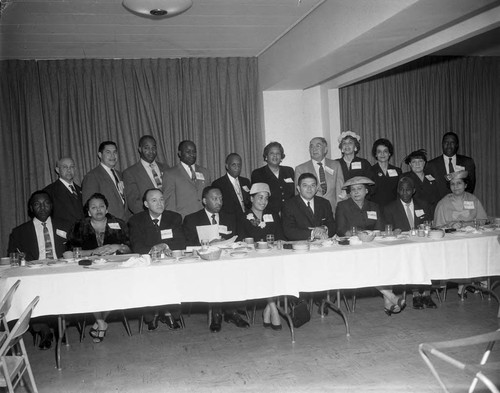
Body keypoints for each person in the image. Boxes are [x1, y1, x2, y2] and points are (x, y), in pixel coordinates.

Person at [7, 190, 71, 350]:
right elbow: (12, 258)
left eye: (46, 203)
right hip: (35, 275)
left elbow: (75, 250)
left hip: (62, 271)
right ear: (31, 208)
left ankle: (61, 325)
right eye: (37, 204)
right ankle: (42, 329)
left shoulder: (66, 226)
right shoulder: (19, 232)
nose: (42, 207)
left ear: (52, 206)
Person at [64, 193, 131, 343]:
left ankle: (100, 321)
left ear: (107, 209)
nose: (98, 210)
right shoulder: (79, 226)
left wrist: (118, 246)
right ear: (88, 212)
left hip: (114, 270)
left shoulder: (119, 224)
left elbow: (129, 249)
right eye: (93, 207)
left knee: (114, 287)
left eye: (101, 206)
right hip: (88, 271)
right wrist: (92, 252)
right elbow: (70, 253)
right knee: (90, 287)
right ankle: (101, 322)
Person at [334, 177, 405, 315]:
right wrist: (358, 235)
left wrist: (372, 235)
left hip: (371, 243)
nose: (356, 192)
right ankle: (390, 296)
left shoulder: (374, 206)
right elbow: (341, 230)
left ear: (366, 191)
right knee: (368, 264)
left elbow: (380, 228)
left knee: (384, 261)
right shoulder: (342, 206)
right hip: (352, 247)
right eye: (353, 190)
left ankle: (387, 301)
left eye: (359, 189)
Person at [182, 186, 248, 332]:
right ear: (204, 201)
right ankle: (216, 313)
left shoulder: (230, 217)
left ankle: (231, 312)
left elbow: (238, 238)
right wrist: (206, 244)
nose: (219, 202)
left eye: (221, 199)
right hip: (204, 263)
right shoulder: (192, 219)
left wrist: (228, 242)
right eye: (215, 199)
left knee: (232, 272)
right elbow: (186, 244)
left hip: (228, 260)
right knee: (215, 275)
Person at [128, 189, 186, 331]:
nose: (159, 203)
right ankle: (152, 314)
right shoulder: (136, 220)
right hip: (148, 264)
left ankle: (168, 312)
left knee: (171, 277)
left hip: (169, 263)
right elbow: (137, 246)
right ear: (146, 204)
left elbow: (181, 243)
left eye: (161, 199)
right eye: (154, 200)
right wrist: (155, 247)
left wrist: (164, 245)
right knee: (149, 279)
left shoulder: (174, 217)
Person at [383, 177, 437, 310]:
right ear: (397, 191)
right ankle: (415, 295)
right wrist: (394, 232)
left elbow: (430, 224)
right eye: (401, 190)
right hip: (403, 247)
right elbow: (387, 231)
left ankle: (427, 293)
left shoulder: (423, 205)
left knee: (429, 258)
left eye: (408, 190)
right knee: (412, 261)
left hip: (423, 244)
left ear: (413, 191)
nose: (405, 193)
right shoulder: (389, 208)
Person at [237, 183, 284, 330]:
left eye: (266, 198)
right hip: (252, 260)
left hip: (273, 258)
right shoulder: (243, 218)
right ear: (251, 198)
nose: (263, 201)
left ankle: (268, 309)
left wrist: (279, 241)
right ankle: (273, 308)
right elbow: (242, 240)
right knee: (266, 271)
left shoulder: (273, 216)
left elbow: (281, 236)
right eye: (260, 197)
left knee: (277, 270)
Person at [433, 170, 488, 297]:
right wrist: (450, 225)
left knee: (478, 251)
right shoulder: (443, 203)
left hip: (472, 240)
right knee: (459, 255)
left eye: (459, 183)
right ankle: (461, 285)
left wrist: (466, 224)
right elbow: (437, 226)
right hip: (452, 242)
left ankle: (476, 281)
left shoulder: (473, 200)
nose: (456, 186)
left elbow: (483, 220)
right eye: (452, 184)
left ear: (465, 185)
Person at [162, 140, 211, 218]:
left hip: (203, 219)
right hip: (183, 220)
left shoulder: (204, 172)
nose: (192, 154)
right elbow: (168, 203)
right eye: (188, 152)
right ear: (180, 153)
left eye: (194, 152)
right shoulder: (170, 174)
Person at [294, 137, 344, 214]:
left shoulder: (335, 165)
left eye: (318, 146)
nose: (314, 149)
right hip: (310, 212)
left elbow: (340, 190)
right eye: (311, 146)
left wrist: (340, 211)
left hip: (332, 211)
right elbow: (298, 194)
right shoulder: (300, 169)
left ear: (325, 149)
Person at [82, 141, 128, 221]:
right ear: (100, 155)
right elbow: (89, 205)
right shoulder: (92, 176)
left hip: (125, 223)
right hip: (107, 224)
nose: (112, 156)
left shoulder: (120, 175)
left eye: (115, 152)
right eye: (108, 152)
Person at [282, 173, 336, 241]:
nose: (309, 189)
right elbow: (289, 231)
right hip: (301, 247)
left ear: (316, 188)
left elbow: (332, 225)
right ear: (298, 188)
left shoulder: (324, 203)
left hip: (323, 245)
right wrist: (313, 233)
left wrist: (324, 228)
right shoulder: (289, 205)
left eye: (312, 185)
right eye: (305, 185)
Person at [123, 135, 168, 214]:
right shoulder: (130, 173)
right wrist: (151, 217)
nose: (151, 151)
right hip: (147, 218)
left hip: (169, 215)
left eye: (153, 148)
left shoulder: (165, 168)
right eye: (146, 148)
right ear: (140, 149)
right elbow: (133, 202)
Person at [426, 132, 476, 199]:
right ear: (442, 144)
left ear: (457, 145)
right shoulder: (431, 165)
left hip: (461, 204)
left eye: (452, 143)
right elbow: (430, 189)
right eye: (446, 142)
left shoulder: (467, 162)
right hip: (440, 205)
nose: (449, 145)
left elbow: (470, 185)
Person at [251, 142, 295, 216]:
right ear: (266, 156)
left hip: (290, 214)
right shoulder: (258, 173)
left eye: (278, 153)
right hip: (269, 215)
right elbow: (257, 198)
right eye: (272, 153)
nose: (275, 156)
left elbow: (294, 195)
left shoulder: (289, 171)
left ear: (281, 156)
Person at [43, 157, 84, 224]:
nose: (69, 170)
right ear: (57, 170)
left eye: (72, 167)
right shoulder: (49, 191)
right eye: (65, 167)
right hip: (63, 232)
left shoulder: (81, 190)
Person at [402, 149, 440, 217]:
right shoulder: (405, 178)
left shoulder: (431, 177)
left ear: (424, 163)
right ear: (410, 164)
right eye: (414, 162)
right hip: (414, 214)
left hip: (432, 213)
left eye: (420, 161)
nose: (417, 164)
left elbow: (437, 196)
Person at [211, 153, 251, 219]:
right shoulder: (218, 184)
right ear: (227, 166)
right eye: (233, 165)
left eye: (239, 165)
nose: (237, 167)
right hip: (229, 220)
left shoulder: (246, 181)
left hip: (247, 219)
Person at [370, 138, 402, 211]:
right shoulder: (370, 171)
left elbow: (399, 192)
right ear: (375, 154)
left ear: (389, 153)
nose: (382, 154)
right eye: (379, 152)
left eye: (385, 151)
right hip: (376, 209)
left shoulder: (398, 171)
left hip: (394, 210)